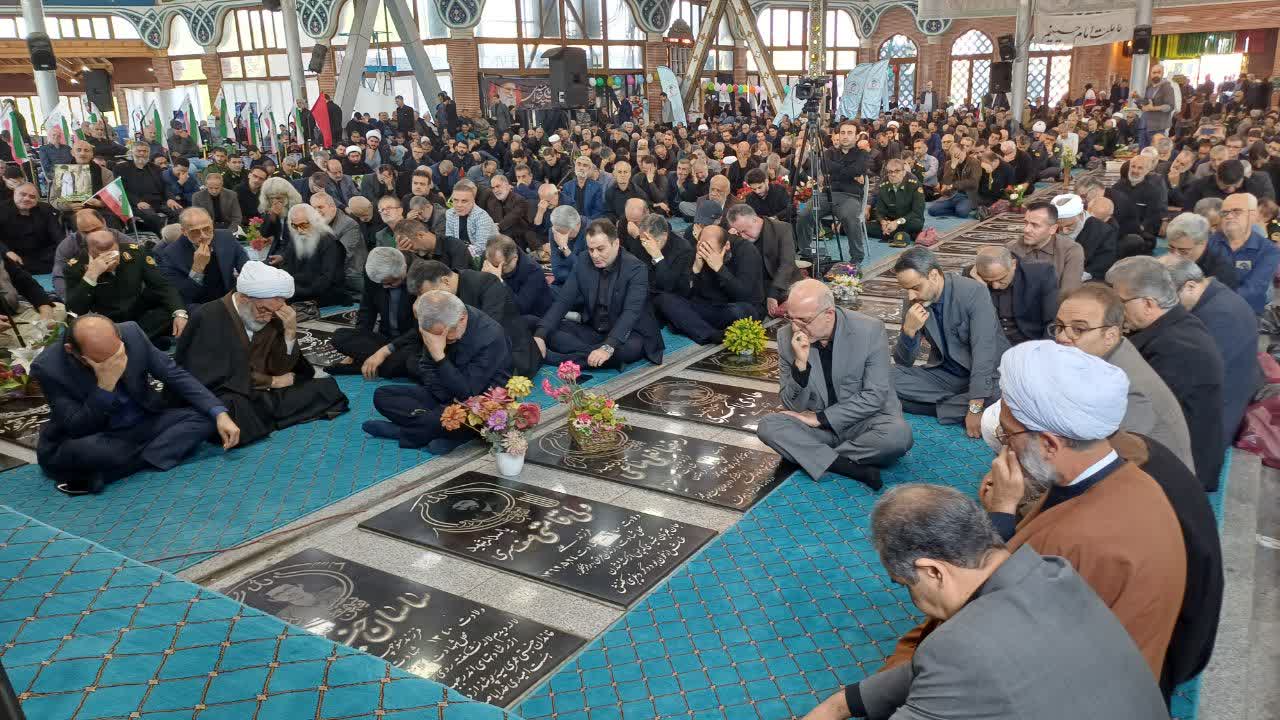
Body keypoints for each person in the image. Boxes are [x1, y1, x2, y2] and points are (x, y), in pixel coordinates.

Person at [806, 485, 1169, 720]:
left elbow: (957, 661)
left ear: (933, 571)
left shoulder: (963, 644)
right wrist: (843, 703)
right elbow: (938, 669)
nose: (912, 599)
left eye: (904, 584)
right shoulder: (1051, 573)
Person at [31, 315, 240, 495]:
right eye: (103, 361)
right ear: (72, 351)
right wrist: (105, 384)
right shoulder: (49, 367)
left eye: (118, 355)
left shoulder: (132, 333)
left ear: (118, 335)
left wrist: (219, 413)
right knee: (94, 451)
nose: (114, 363)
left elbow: (174, 374)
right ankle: (152, 454)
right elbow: (79, 426)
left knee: (207, 417)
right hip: (98, 435)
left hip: (143, 422)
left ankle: (115, 471)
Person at [756, 280, 912, 491]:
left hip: (864, 421)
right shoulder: (787, 338)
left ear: (828, 314)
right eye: (790, 319)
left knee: (898, 436)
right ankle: (849, 467)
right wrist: (800, 366)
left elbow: (874, 396)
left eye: (804, 320)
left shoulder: (869, 330)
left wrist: (821, 418)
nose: (795, 327)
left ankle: (813, 456)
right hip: (819, 428)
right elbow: (791, 405)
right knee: (769, 426)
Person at [175, 262, 349, 446]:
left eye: (274, 312)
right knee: (233, 407)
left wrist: (290, 332)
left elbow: (280, 368)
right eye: (263, 310)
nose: (267, 317)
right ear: (243, 298)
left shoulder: (272, 316)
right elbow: (214, 376)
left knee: (326, 387)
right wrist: (272, 382)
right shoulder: (209, 317)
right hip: (226, 394)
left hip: (261, 394)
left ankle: (264, 418)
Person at [1107, 257, 1225, 490]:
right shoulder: (1175, 325)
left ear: (1148, 304)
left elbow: (1146, 417)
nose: (1114, 311)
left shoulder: (1177, 349)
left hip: (1181, 469)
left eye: (1119, 302)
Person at [1052, 283, 1195, 473]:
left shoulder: (1130, 390)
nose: (1062, 337)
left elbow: (1107, 462)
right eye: (1060, 326)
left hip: (1157, 491)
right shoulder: (1104, 354)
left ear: (1110, 335)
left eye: (1078, 329)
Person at [364, 291, 509, 450]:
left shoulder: (490, 335)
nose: (443, 341)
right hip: (443, 393)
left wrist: (439, 356)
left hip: (479, 404)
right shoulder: (436, 325)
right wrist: (443, 400)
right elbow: (426, 367)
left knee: (450, 418)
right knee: (383, 395)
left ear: (462, 319)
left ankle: (403, 431)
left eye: (448, 338)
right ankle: (439, 430)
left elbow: (467, 393)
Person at [891, 248, 1008, 434]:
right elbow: (903, 362)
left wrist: (975, 407)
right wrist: (909, 331)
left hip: (989, 374)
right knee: (886, 376)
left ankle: (938, 406)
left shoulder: (973, 293)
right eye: (906, 290)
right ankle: (957, 405)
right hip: (947, 374)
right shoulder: (913, 301)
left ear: (934, 275)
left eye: (915, 287)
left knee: (1005, 392)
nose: (911, 296)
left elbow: (984, 352)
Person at [534, 219, 664, 368]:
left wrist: (608, 346)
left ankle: (556, 359)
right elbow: (564, 300)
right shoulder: (583, 260)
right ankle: (593, 356)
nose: (594, 255)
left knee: (627, 350)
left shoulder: (636, 268)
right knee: (544, 330)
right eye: (590, 249)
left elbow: (631, 313)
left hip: (628, 332)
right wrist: (540, 335)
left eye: (600, 249)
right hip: (594, 330)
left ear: (616, 243)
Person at [1162, 255, 1261, 448]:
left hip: (1213, 421)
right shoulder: (1216, 298)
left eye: (1169, 297)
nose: (1165, 305)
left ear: (1190, 286)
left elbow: (1192, 379)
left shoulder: (1220, 316)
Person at [408, 259, 540, 377]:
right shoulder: (437, 298)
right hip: (462, 347)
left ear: (445, 281)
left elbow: (489, 331)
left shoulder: (487, 283)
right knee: (415, 363)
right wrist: (421, 314)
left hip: (505, 352)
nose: (429, 299)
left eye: (430, 293)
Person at [64, 230, 186, 344]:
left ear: (118, 244)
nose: (111, 261)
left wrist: (179, 313)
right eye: (104, 257)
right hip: (106, 320)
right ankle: (140, 341)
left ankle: (130, 341)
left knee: (174, 309)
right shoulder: (75, 267)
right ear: (89, 251)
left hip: (137, 312)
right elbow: (74, 310)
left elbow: (162, 285)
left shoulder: (135, 253)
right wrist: (91, 276)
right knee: (80, 331)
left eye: (114, 254)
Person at [653, 225, 764, 345]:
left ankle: (689, 324)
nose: (705, 252)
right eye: (702, 246)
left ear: (726, 246)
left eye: (710, 248)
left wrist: (720, 269)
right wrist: (695, 269)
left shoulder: (746, 251)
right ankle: (711, 334)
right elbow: (683, 294)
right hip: (706, 308)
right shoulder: (697, 251)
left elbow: (744, 295)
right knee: (664, 299)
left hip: (732, 308)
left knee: (744, 311)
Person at [329, 247, 419, 379]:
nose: (384, 287)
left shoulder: (421, 275)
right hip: (384, 337)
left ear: (404, 269)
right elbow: (367, 311)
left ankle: (375, 365)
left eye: (390, 283)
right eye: (381, 283)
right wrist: (354, 351)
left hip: (410, 341)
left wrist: (385, 351)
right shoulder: (373, 272)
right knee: (339, 337)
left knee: (410, 363)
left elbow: (421, 328)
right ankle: (379, 365)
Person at [157, 208, 250, 310]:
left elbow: (247, 268)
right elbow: (182, 296)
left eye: (207, 229)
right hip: (199, 306)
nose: (203, 236)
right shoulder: (171, 254)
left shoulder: (225, 237)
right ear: (184, 232)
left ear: (212, 224)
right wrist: (197, 268)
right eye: (195, 232)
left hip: (229, 299)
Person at [968, 246, 1057, 345]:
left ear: (1013, 264)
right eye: (988, 281)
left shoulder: (1041, 274)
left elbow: (1052, 320)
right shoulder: (972, 278)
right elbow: (976, 324)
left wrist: (1045, 350)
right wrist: (981, 290)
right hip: (992, 344)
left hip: (1030, 342)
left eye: (1000, 279)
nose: (995, 286)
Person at [1207, 192, 1279, 314]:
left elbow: (1253, 289)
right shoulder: (1208, 243)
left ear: (1253, 215)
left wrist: (1217, 302)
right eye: (1225, 212)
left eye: (1236, 211)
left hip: (1246, 313)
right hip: (1208, 310)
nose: (1229, 216)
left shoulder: (1268, 250)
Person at [724, 204, 803, 316]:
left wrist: (773, 294)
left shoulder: (782, 229)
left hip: (782, 283)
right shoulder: (738, 237)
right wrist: (732, 242)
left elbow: (787, 264)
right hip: (756, 286)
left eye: (744, 231)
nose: (743, 236)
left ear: (755, 220)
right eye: (738, 232)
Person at [273, 203, 349, 306]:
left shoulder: (330, 243)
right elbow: (287, 268)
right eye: (294, 226)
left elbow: (326, 279)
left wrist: (294, 291)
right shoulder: (296, 238)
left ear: (315, 221)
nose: (299, 230)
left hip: (324, 293)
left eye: (304, 225)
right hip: (298, 289)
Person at [818, 120, 871, 263]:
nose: (845, 136)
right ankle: (806, 251)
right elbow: (824, 167)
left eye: (849, 133)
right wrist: (849, 171)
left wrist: (834, 171)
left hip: (851, 197)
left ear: (856, 136)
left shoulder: (862, 154)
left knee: (851, 217)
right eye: (842, 133)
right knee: (803, 212)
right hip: (828, 194)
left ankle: (857, 257)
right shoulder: (829, 152)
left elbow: (857, 169)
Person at [1007, 201, 1084, 295]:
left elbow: (1069, 292)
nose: (1026, 230)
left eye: (1035, 225)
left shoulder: (1071, 250)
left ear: (1053, 229)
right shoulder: (1012, 247)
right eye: (1026, 223)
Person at [1165, 211, 1239, 289]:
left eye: (1183, 251)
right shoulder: (1176, 255)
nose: (1175, 255)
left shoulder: (1223, 268)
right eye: (1171, 248)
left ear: (1203, 243)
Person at [311, 191, 365, 296]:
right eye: (313, 208)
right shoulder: (318, 224)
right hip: (330, 272)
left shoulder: (349, 225)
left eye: (320, 207)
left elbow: (343, 256)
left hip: (351, 275)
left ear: (332, 207)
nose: (316, 211)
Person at [0, 182, 62, 274]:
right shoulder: (2, 209)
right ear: (14, 193)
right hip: (13, 253)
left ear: (37, 199)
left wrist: (65, 249)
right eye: (23, 194)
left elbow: (57, 234)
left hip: (43, 253)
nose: (27, 199)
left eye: (32, 197)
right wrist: (7, 252)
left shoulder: (45, 209)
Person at [115, 142, 176, 234]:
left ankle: (174, 236)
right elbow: (121, 189)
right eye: (139, 151)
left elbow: (165, 186)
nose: (142, 153)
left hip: (159, 202)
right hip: (137, 204)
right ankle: (162, 241)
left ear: (149, 153)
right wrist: (137, 202)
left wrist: (170, 199)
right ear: (132, 152)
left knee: (179, 212)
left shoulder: (155, 168)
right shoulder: (120, 168)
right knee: (153, 218)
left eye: (145, 151)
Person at [1053, 193, 1115, 281]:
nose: (1064, 231)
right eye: (1059, 227)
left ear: (1081, 215)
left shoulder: (1103, 231)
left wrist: (1075, 277)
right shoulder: (1049, 225)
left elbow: (1102, 264)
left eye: (1069, 226)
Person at [867, 159, 925, 248]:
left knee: (916, 225)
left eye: (897, 171)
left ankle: (893, 234)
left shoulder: (914, 185)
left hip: (909, 220)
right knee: (865, 226)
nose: (893, 175)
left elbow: (917, 212)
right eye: (890, 172)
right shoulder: (883, 185)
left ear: (904, 172)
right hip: (890, 221)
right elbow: (879, 210)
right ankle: (905, 235)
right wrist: (883, 222)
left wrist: (897, 222)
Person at [49, 139, 114, 214]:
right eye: (78, 150)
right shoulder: (62, 172)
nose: (82, 153)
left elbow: (113, 199)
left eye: (86, 150)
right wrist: (69, 206)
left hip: (99, 213)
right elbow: (53, 199)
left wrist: (101, 203)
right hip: (71, 215)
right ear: (72, 153)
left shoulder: (105, 173)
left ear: (92, 154)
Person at [444, 179, 498, 257]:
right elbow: (449, 240)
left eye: (464, 201)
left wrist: (456, 251)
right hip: (462, 253)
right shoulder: (449, 213)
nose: (459, 205)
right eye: (455, 200)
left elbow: (480, 249)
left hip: (489, 256)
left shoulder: (482, 217)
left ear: (473, 201)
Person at [479, 174, 532, 251]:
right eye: (493, 188)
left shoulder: (520, 200)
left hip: (518, 237)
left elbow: (512, 218)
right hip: (499, 236)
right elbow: (489, 218)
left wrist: (497, 227)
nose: (495, 190)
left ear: (507, 185)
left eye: (498, 186)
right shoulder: (492, 201)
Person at [560, 154, 605, 222]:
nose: (581, 168)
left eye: (585, 165)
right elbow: (565, 208)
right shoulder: (567, 186)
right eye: (579, 164)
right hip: (571, 222)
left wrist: (585, 222)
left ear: (589, 169)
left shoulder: (597, 187)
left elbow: (598, 211)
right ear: (575, 167)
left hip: (589, 222)